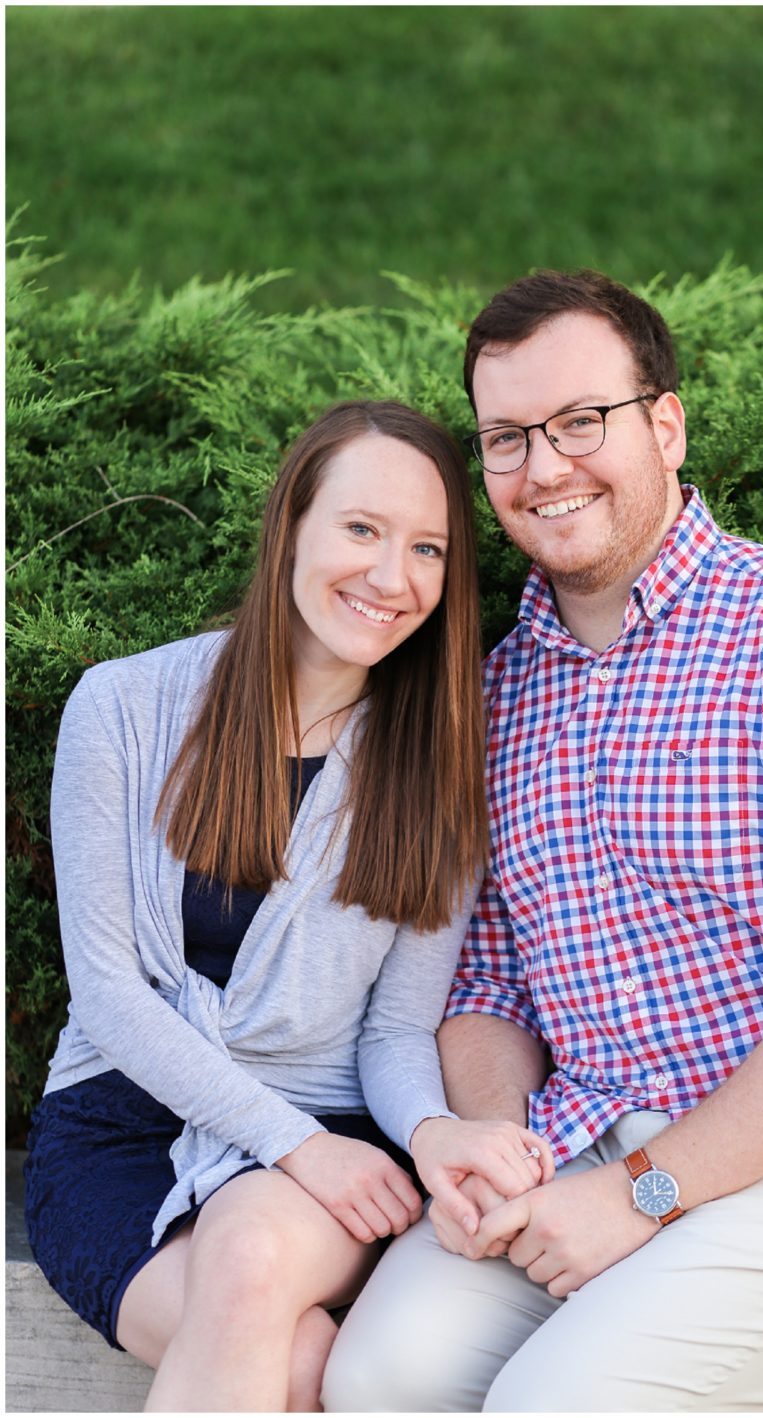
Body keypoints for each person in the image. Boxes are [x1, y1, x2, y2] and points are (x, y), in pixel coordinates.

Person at [322, 270, 763, 1412]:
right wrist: (498, 1148)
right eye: (507, 437)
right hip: (581, 1140)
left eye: (579, 421)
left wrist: (643, 1192)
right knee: (377, 1375)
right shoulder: (497, 693)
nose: (544, 467)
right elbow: (490, 974)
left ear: (664, 421)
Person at [23, 401, 548, 1411]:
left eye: (427, 547)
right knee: (303, 1367)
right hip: (117, 1129)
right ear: (292, 525)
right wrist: (289, 1141)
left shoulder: (440, 772)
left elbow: (397, 1031)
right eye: (361, 529)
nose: (391, 577)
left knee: (255, 1249)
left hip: (337, 1135)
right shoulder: (122, 709)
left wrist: (428, 1128)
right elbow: (109, 995)